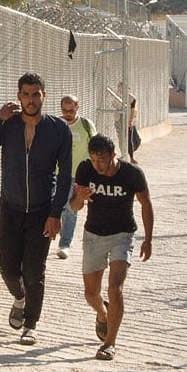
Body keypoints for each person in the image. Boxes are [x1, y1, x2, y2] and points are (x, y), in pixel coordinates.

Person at [0, 73, 74, 345]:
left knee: (34, 271)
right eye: (26, 95)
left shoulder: (58, 129)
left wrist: (56, 213)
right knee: (7, 268)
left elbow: (65, 175)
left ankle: (31, 324)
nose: (31, 100)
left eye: (36, 94)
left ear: (44, 96)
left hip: (42, 210)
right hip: (11, 207)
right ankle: (19, 298)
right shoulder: (8, 125)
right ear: (19, 96)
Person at [69, 134, 154, 360]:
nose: (98, 165)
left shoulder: (131, 173)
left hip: (122, 234)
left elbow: (146, 203)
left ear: (113, 155)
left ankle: (109, 343)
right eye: (94, 159)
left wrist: (148, 239)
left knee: (115, 288)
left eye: (102, 160)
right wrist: (80, 198)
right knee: (91, 293)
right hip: (93, 234)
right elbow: (74, 207)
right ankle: (102, 313)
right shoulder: (85, 170)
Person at [55, 95, 96, 259]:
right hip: (57, 173)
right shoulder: (56, 124)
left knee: (71, 209)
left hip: (78, 175)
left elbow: (95, 146)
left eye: (71, 111)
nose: (68, 114)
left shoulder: (86, 125)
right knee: (54, 206)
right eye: (65, 111)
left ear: (77, 108)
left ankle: (65, 244)